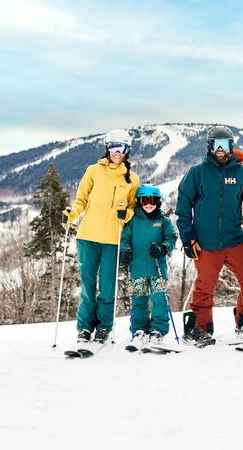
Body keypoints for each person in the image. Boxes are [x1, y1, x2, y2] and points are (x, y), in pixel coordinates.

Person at [175, 125, 243, 346]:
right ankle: (200, 329)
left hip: (236, 239)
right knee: (205, 286)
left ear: (231, 146)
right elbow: (183, 206)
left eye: (224, 145)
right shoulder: (197, 172)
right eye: (216, 145)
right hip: (206, 243)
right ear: (209, 147)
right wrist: (188, 238)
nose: (220, 149)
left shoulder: (241, 172)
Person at [63, 129, 140, 344]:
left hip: (113, 240)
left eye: (122, 147)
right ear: (107, 147)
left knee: (107, 286)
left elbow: (135, 208)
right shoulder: (93, 171)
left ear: (128, 150)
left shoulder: (132, 179)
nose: (118, 151)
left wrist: (128, 213)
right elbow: (81, 200)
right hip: (88, 236)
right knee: (88, 286)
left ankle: (104, 326)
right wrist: (72, 213)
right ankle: (85, 328)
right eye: (114, 146)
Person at [119, 184, 177, 346]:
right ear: (139, 201)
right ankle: (139, 329)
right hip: (137, 269)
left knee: (159, 300)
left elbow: (171, 238)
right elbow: (125, 239)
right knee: (139, 300)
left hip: (157, 268)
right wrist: (125, 251)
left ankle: (158, 329)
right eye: (145, 200)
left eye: (152, 200)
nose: (148, 204)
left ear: (158, 202)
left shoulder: (163, 221)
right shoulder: (132, 221)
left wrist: (163, 248)